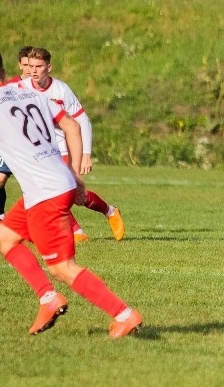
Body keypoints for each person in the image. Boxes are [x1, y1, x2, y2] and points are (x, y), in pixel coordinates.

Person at [0, 54, 142, 337]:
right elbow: (72, 126)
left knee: (62, 267)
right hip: (56, 181)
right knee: (5, 238)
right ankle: (47, 298)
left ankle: (124, 314)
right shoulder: (27, 92)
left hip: (45, 193)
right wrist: (75, 175)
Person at [22, 47, 125, 242]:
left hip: (62, 148)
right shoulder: (22, 88)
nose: (33, 71)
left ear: (49, 67)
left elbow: (82, 121)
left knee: (73, 194)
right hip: (37, 150)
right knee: (47, 192)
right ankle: (76, 232)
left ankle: (109, 211)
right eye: (31, 66)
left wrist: (86, 152)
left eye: (39, 66)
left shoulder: (61, 90)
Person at [0, 46, 34, 220]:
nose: (30, 70)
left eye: (34, 65)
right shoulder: (11, 87)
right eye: (26, 64)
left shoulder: (44, 88)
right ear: (20, 65)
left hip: (17, 143)